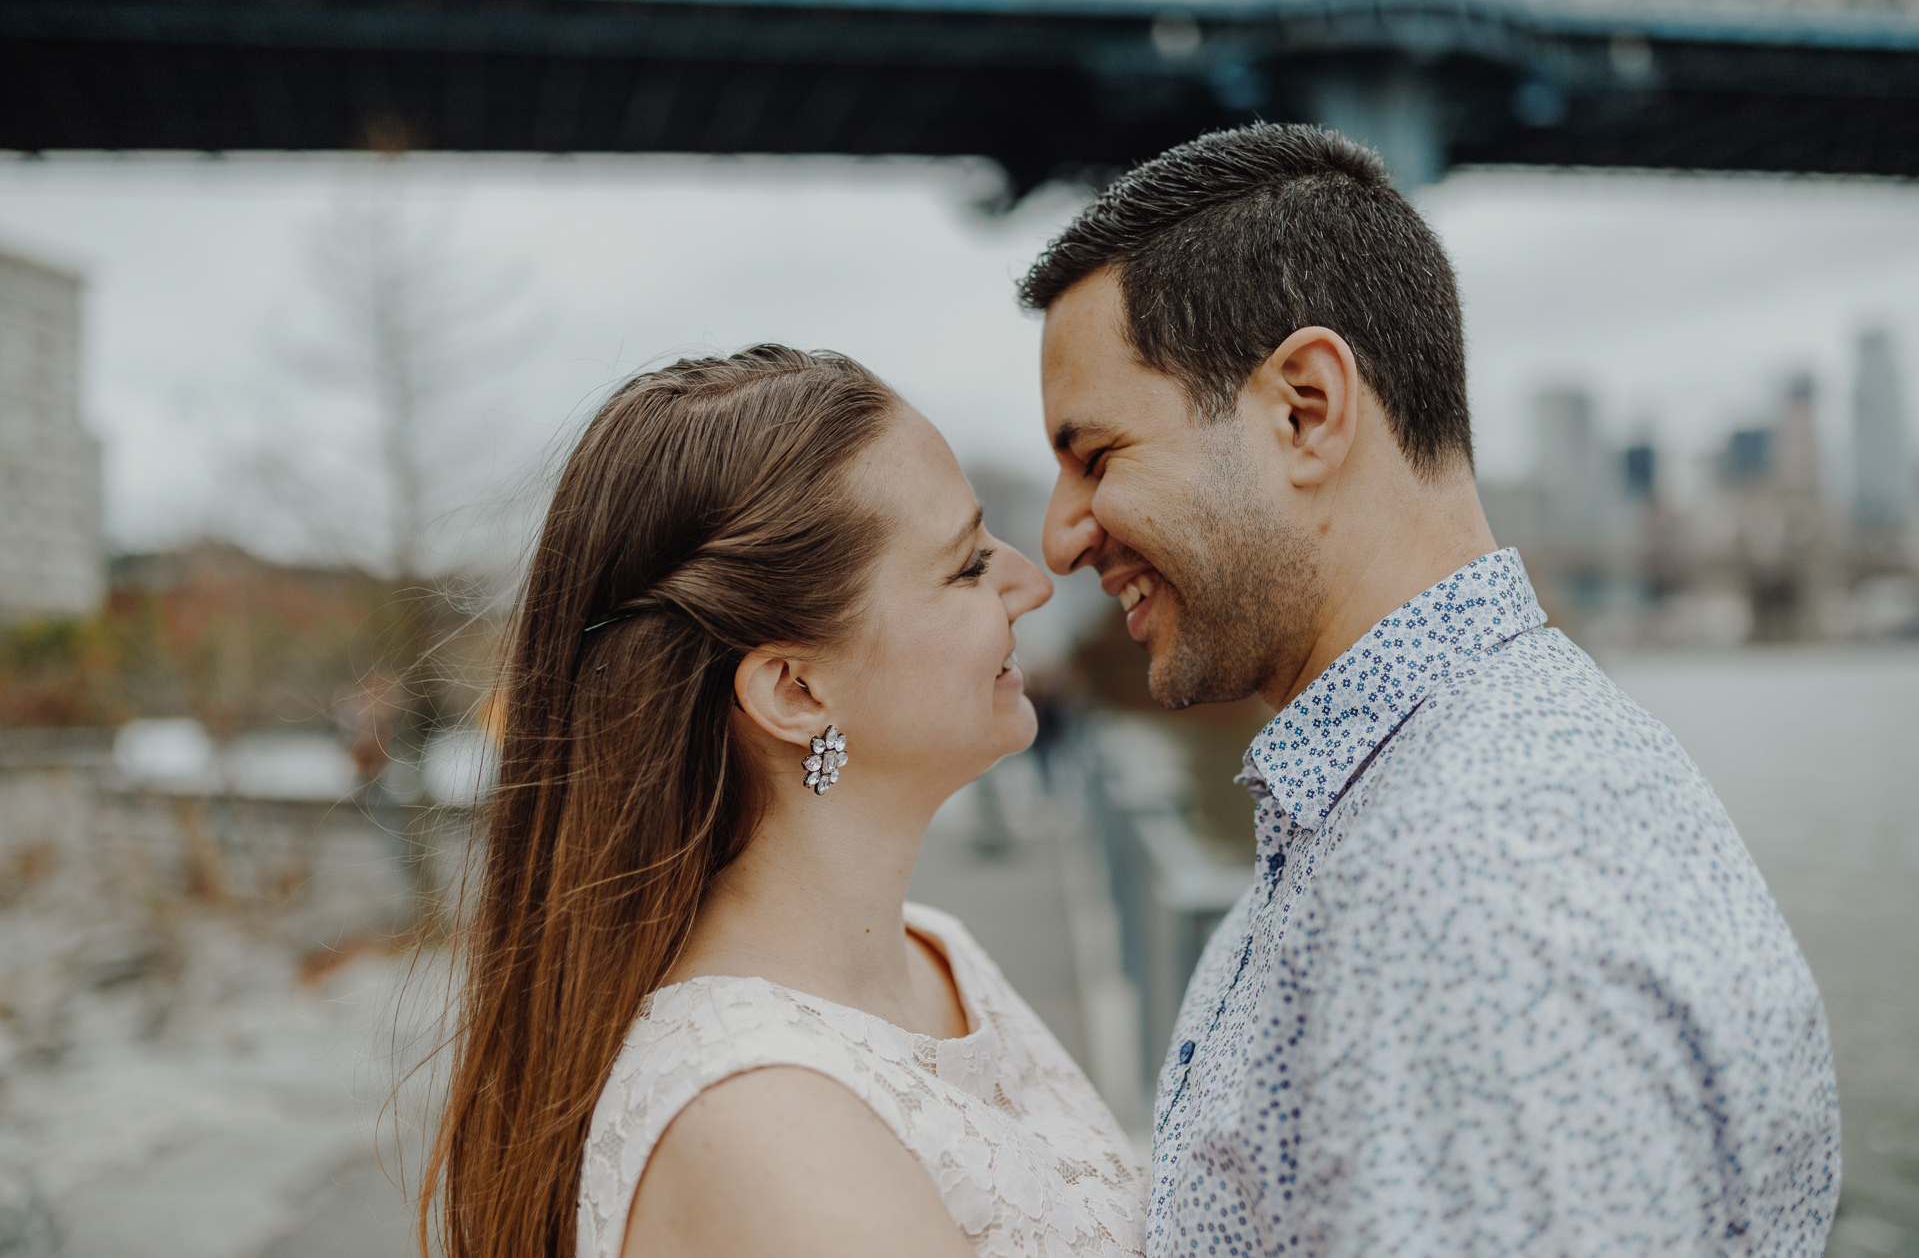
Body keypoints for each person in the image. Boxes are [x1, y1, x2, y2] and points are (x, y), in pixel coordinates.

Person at [1024, 125, 1840, 1255]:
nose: (1059, 538)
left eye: (1097, 456)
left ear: (1305, 408)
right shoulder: (1465, 787)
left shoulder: (1470, 886)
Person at [420, 346, 1144, 1258]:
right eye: (967, 566)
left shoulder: (936, 955)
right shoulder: (763, 1127)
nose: (1031, 583)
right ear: (796, 691)